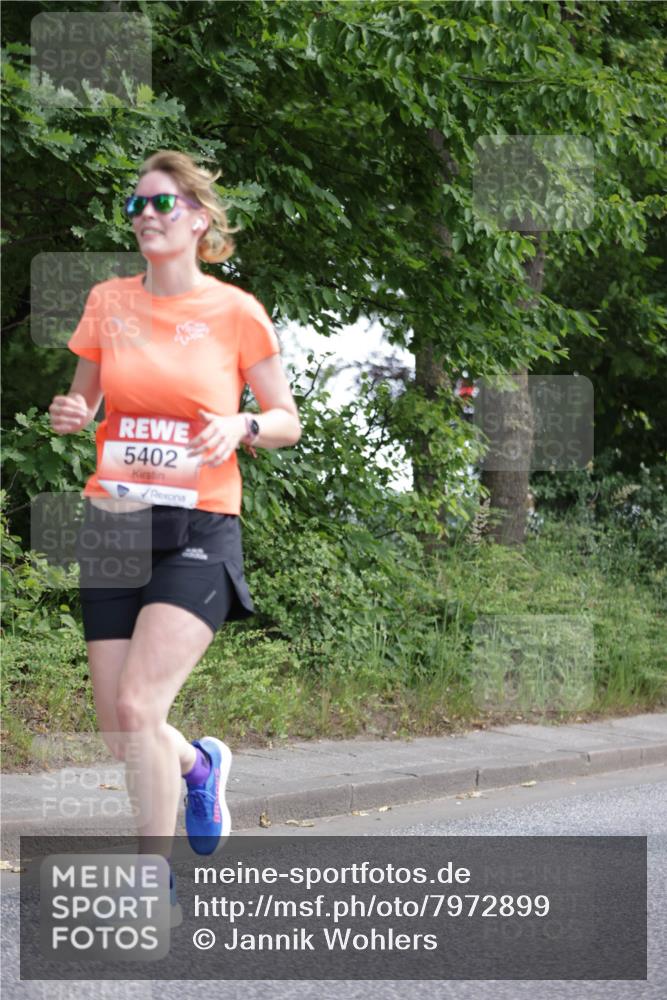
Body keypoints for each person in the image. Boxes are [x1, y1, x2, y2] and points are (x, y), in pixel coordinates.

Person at [48, 149, 301, 919]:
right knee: (120, 726)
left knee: (138, 706)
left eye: (161, 204)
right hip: (115, 524)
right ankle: (199, 765)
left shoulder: (235, 311)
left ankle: (147, 882)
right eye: (136, 205)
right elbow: (84, 401)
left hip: (200, 524)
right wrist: (72, 416)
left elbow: (286, 419)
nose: (146, 216)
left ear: (197, 219)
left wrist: (243, 423)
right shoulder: (108, 301)